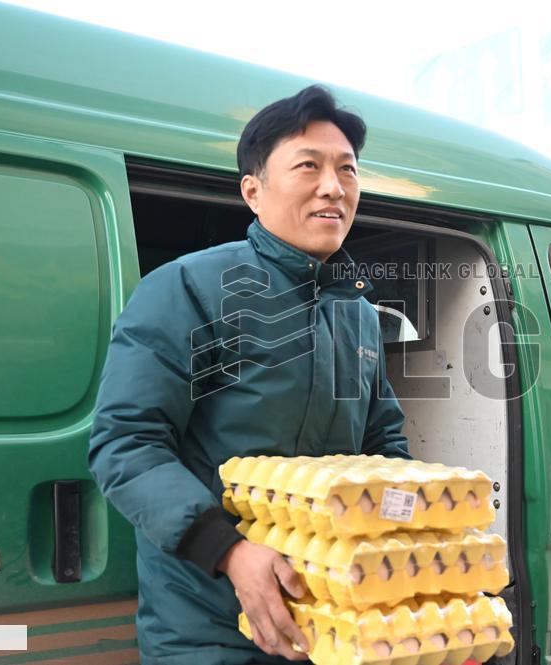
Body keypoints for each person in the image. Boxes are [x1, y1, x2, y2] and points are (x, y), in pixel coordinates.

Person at [88, 85, 412, 664]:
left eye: (347, 170)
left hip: (333, 624)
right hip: (210, 632)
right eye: (308, 166)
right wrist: (231, 553)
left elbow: (380, 444)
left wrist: (423, 530)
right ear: (253, 191)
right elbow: (126, 443)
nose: (333, 186)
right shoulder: (188, 288)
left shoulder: (357, 315)